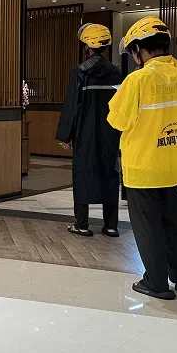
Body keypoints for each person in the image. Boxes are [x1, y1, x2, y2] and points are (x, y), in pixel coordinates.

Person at [108, 16, 177, 301]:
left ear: (138, 50)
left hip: (143, 165)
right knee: (172, 223)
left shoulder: (138, 79)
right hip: (174, 162)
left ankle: (156, 282)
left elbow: (117, 120)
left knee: (148, 227)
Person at [56, 23, 124, 237]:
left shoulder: (80, 72)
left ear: (86, 46)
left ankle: (82, 223)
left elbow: (72, 105)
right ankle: (111, 225)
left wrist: (65, 135)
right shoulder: (116, 72)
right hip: (111, 133)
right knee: (110, 175)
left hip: (85, 134)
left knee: (83, 175)